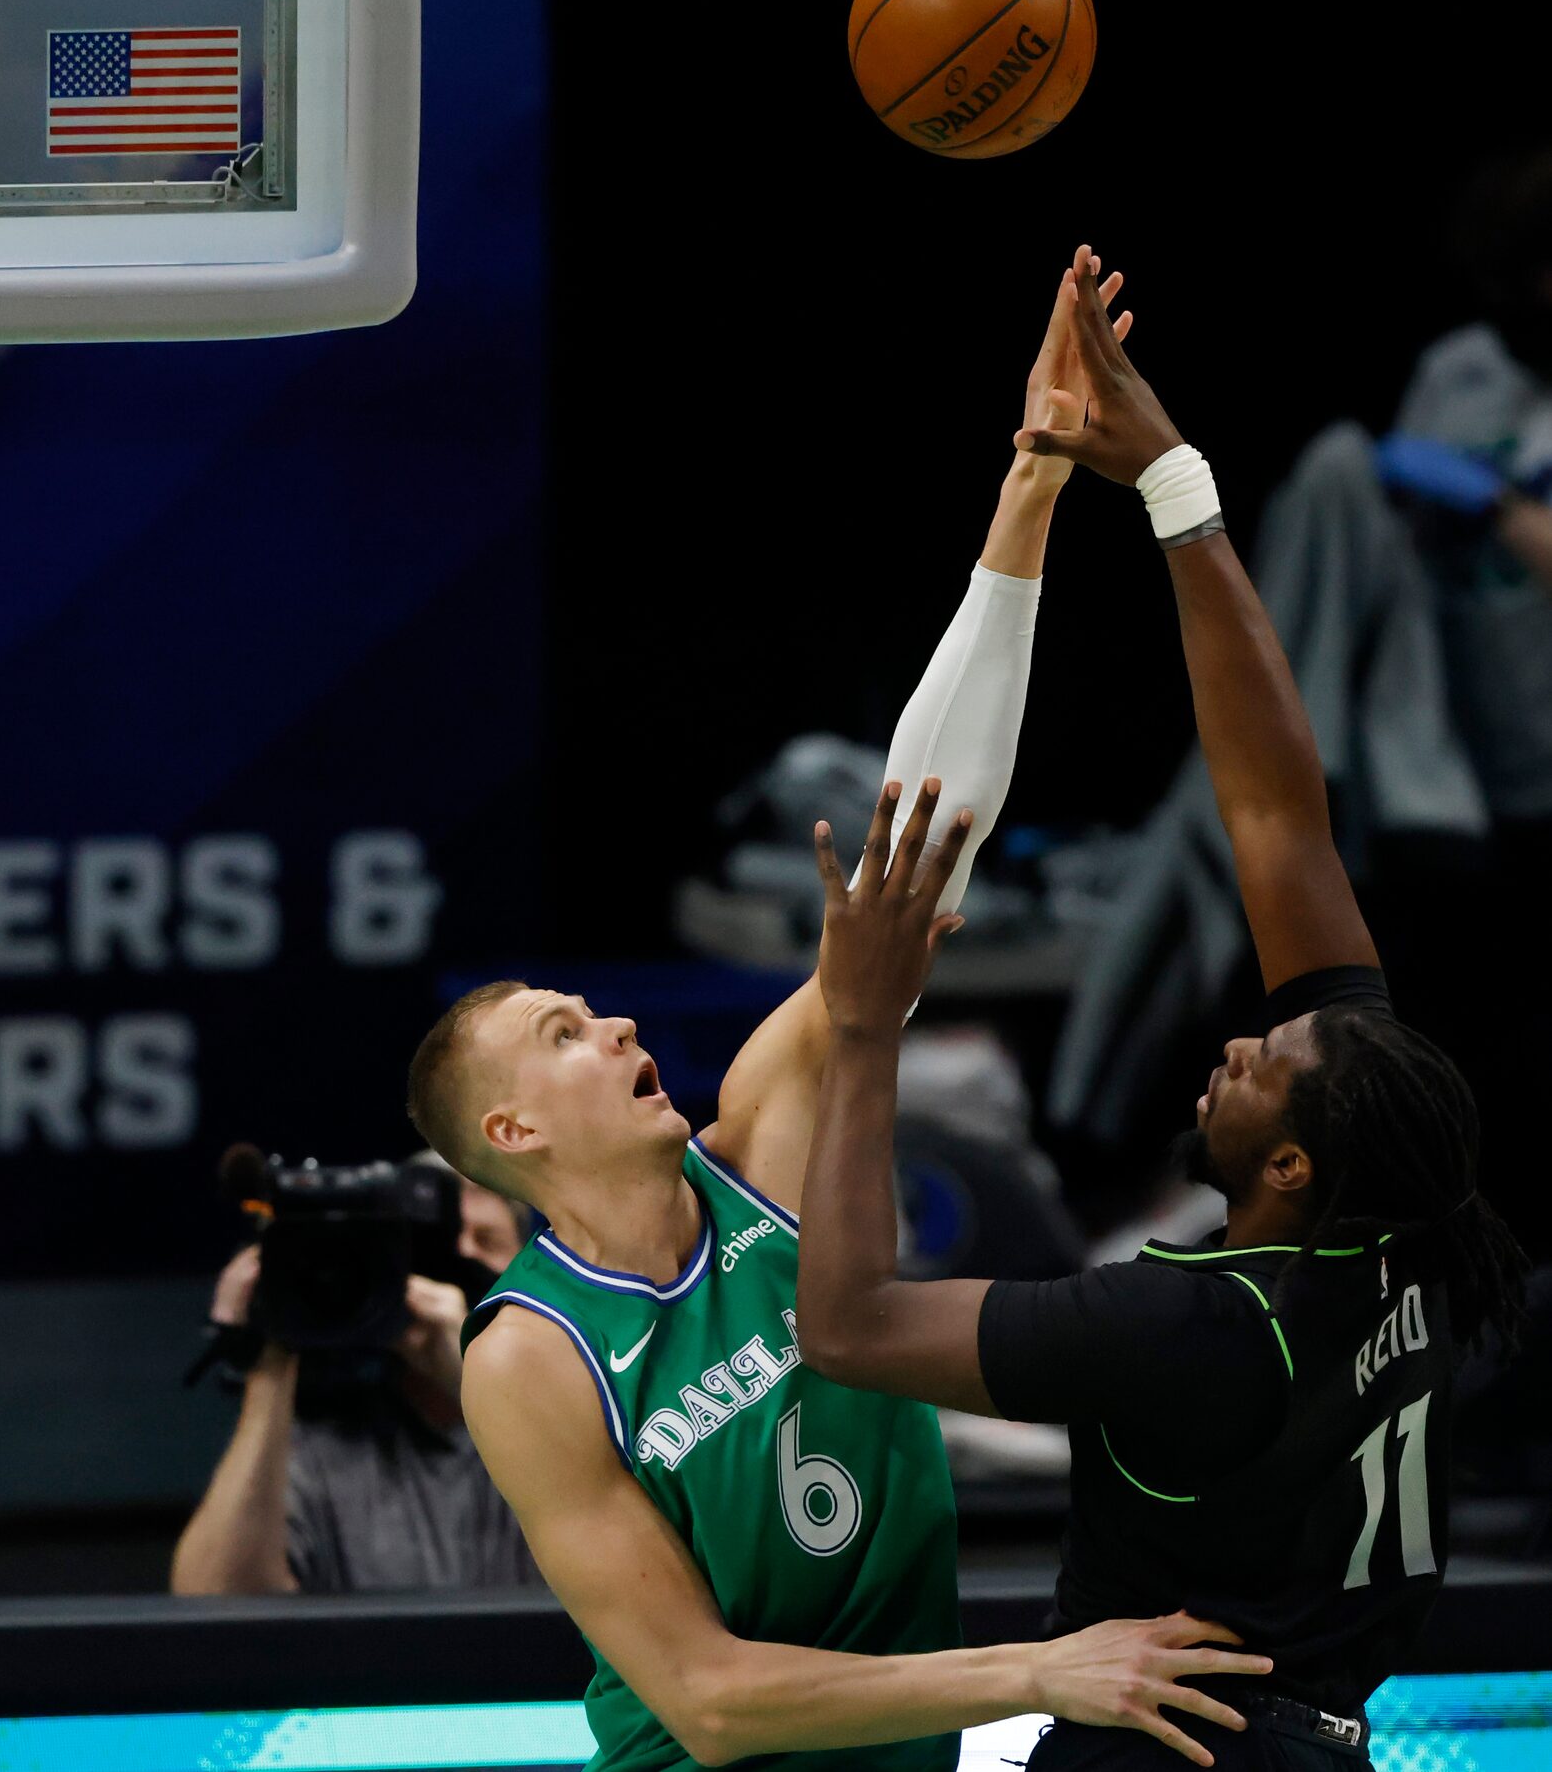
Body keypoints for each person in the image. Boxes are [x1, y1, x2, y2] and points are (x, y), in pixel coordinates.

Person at [408, 270, 1272, 1772]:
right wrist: (1034, 1671)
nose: (609, 1023)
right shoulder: (532, 1357)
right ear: (511, 1131)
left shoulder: (755, 1151)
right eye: (559, 1031)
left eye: (587, 1008)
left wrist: (1031, 481)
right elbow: (710, 1699)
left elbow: (919, 843)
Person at [792, 246, 1531, 1772]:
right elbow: (1276, 823)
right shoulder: (1399, 1223)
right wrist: (1173, 485)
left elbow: (848, 1327)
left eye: (1259, 1066)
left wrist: (861, 1026)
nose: (1236, 1043)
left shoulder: (1199, 1326)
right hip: (1301, 1740)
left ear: (1285, 1173)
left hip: (1169, 1748)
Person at [171, 1161, 542, 1594]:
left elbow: (621, 1560)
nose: (458, 1261)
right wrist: (272, 1351)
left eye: (485, 1240)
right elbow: (212, 1604)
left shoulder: (580, 1421)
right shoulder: (320, 1454)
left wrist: (471, 1376)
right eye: (431, 1246)